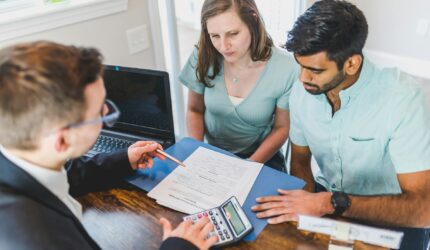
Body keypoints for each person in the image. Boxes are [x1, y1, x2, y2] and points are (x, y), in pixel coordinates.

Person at [0, 41, 217, 250]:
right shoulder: (38, 238)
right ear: (62, 141)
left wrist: (124, 159)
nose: (107, 115)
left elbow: (71, 173)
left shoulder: (25, 155)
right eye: (99, 114)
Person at [251, 1, 430, 249]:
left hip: (393, 213)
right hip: (329, 201)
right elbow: (300, 160)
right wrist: (305, 216)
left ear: (352, 64)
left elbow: (423, 210)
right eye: (300, 65)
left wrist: (328, 203)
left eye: (315, 70)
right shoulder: (303, 90)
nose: (303, 78)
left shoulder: (403, 100)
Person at [179, 0, 299, 171]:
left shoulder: (287, 68)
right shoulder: (202, 55)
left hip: (261, 157)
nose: (223, 46)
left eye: (233, 33)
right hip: (210, 153)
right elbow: (194, 110)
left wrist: (248, 166)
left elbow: (281, 128)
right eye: (215, 36)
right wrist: (198, 151)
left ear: (253, 21)